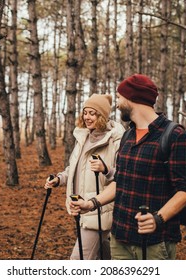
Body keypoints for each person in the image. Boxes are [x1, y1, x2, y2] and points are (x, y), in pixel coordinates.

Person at [70, 74, 186, 260]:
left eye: (120, 98)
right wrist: (91, 203)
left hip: (154, 242)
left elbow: (185, 191)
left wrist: (157, 219)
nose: (118, 104)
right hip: (120, 238)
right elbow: (120, 181)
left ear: (133, 98)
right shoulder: (128, 136)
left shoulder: (174, 135)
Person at [45, 93, 125, 260]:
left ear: (102, 116)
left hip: (99, 211)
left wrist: (105, 169)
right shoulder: (84, 137)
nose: (87, 117)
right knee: (104, 259)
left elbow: (124, 177)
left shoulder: (116, 141)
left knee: (78, 260)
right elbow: (75, 168)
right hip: (82, 208)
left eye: (92, 113)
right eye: (85, 112)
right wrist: (59, 179)